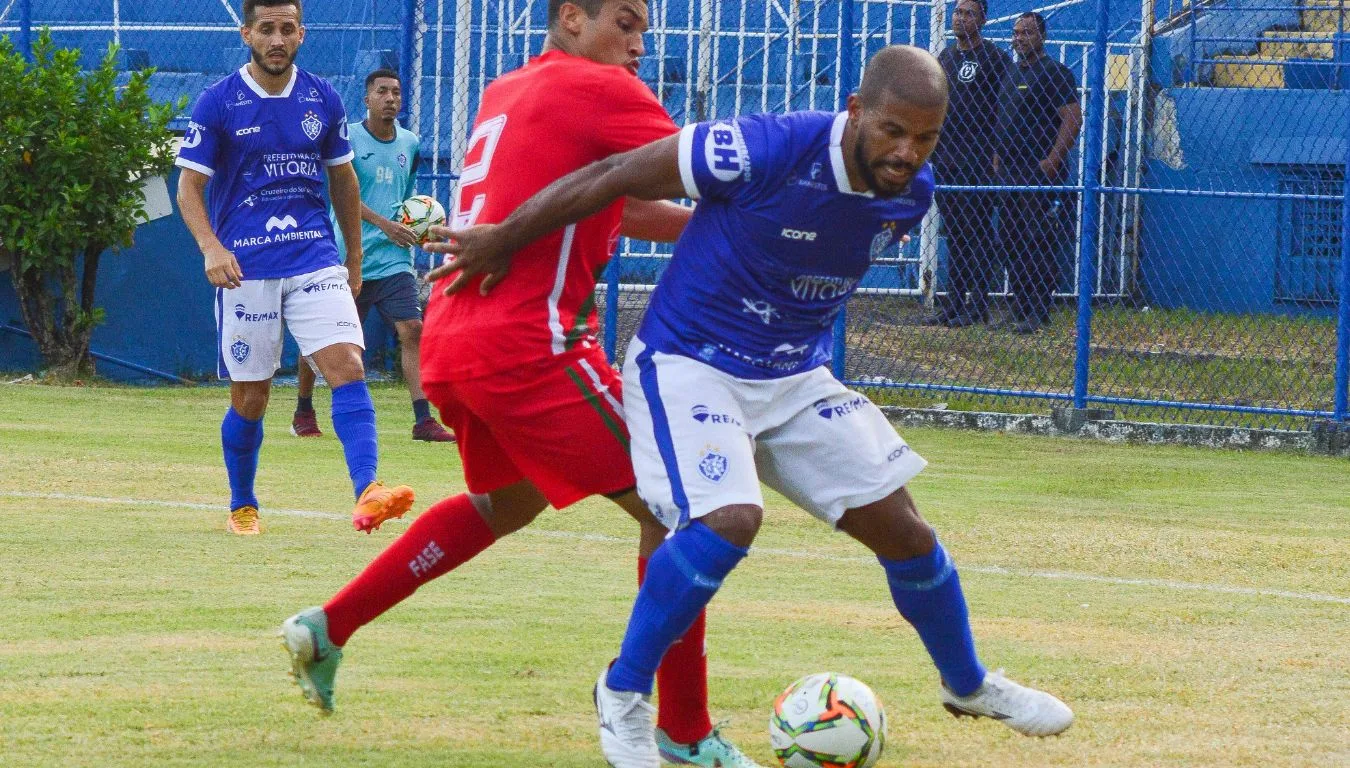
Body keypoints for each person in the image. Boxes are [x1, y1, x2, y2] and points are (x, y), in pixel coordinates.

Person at [431, 45, 1075, 768]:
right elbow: (614, 174)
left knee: (907, 534)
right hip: (689, 363)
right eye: (893, 131)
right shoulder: (763, 144)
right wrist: (503, 238)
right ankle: (622, 693)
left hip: (793, 375)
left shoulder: (912, 192)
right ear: (856, 111)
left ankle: (969, 684)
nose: (907, 153)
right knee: (728, 520)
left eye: (926, 138)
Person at [280, 2, 762, 765]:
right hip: (529, 344)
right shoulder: (598, 88)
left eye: (645, 29)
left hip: (454, 340)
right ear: (572, 18)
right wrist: (821, 199)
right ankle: (684, 728)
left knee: (502, 503)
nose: (639, 44)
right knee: (683, 511)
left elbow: (629, 203)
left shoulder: (508, 90)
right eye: (625, 24)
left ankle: (327, 626)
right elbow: (716, 171)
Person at [175, 0, 415, 536]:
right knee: (252, 397)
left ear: (302, 34)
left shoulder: (322, 98)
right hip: (247, 269)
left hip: (314, 259)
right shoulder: (218, 102)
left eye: (287, 29)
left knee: (347, 366)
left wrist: (353, 259)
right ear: (247, 34)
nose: (277, 39)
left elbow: (344, 182)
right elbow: (189, 187)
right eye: (267, 29)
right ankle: (243, 501)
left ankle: (369, 490)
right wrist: (212, 248)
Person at [289, 68, 456, 444]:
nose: (391, 98)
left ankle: (422, 420)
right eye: (382, 91)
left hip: (393, 258)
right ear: (367, 99)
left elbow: (406, 199)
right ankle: (303, 409)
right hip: (346, 257)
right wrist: (384, 224)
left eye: (396, 92)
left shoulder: (410, 143)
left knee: (412, 330)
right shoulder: (346, 137)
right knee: (323, 339)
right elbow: (340, 193)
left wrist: (415, 225)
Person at [923, 0, 1010, 328]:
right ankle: (954, 303)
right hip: (947, 158)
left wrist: (998, 151)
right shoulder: (944, 58)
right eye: (957, 12)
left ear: (983, 19)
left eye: (968, 13)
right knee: (956, 233)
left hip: (979, 160)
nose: (960, 18)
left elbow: (1006, 109)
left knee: (978, 232)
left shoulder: (995, 59)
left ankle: (979, 303)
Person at [995, 12, 1083, 334]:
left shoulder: (1055, 73)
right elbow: (1001, 118)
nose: (1019, 38)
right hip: (1008, 172)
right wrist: (996, 156)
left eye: (1027, 33)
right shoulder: (1010, 71)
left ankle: (1038, 311)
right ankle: (1019, 307)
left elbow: (1073, 117)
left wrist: (1053, 158)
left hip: (1039, 172)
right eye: (1016, 33)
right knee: (1009, 238)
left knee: (1038, 239)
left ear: (1041, 37)